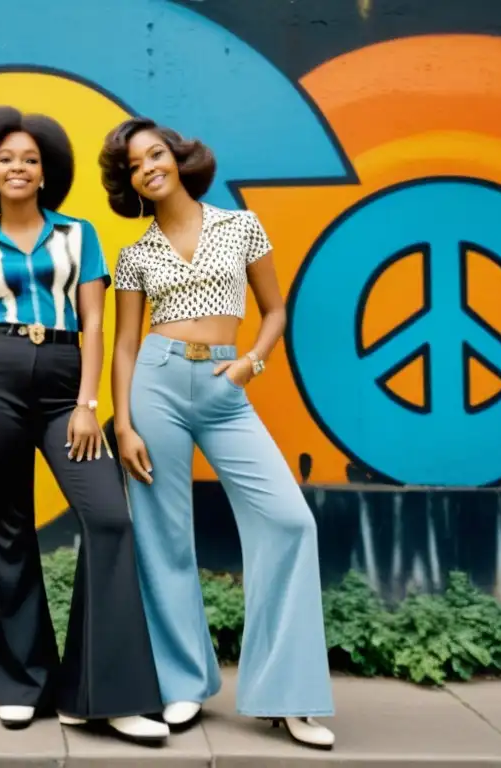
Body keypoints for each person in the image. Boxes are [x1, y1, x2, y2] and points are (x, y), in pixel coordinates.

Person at [98, 117, 336, 751]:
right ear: (129, 183)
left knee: (290, 521)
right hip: (156, 383)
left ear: (177, 159)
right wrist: (122, 423)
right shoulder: (134, 255)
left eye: (156, 154)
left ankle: (288, 696)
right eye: (134, 165)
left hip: (227, 391)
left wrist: (250, 364)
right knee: (164, 536)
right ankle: (182, 683)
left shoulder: (240, 225)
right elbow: (123, 345)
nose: (148, 167)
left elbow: (276, 309)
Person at [0, 106, 168, 745]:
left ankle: (103, 694)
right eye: (6, 159)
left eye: (31, 159)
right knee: (10, 528)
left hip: (64, 383)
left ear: (47, 173)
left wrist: (85, 403)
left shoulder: (80, 235)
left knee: (108, 518)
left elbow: (96, 323)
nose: (18, 168)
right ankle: (18, 683)